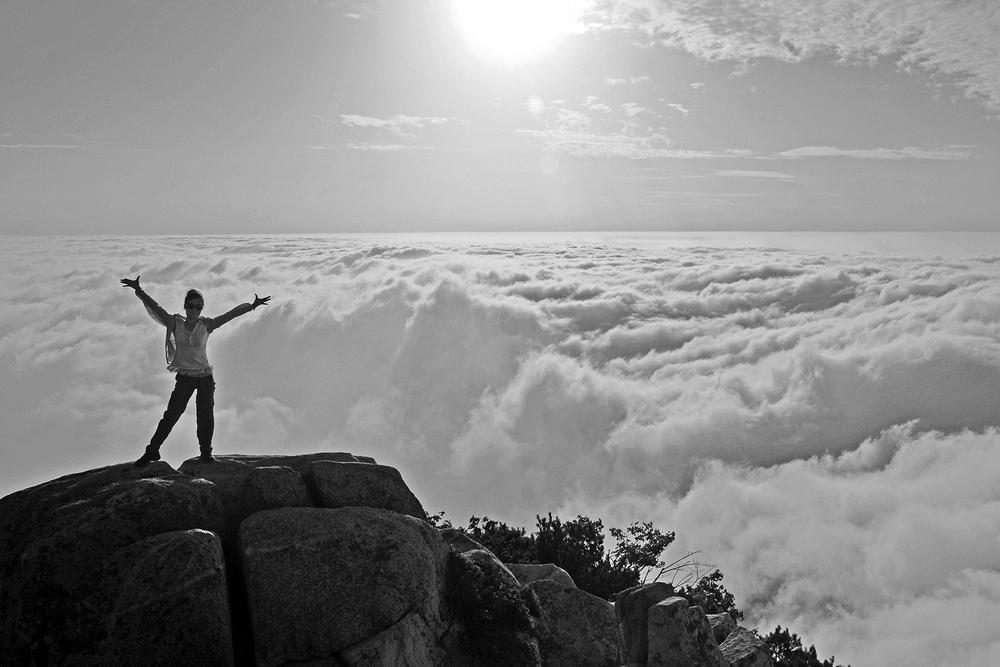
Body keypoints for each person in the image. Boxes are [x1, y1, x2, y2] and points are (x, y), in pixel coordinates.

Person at [121, 275, 270, 466]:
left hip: (205, 377)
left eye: (198, 307)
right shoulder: (174, 323)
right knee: (171, 415)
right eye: (190, 306)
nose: (194, 310)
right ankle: (152, 451)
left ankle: (206, 452)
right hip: (185, 377)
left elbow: (229, 315)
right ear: (185, 306)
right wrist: (139, 290)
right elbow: (155, 308)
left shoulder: (206, 325)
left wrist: (251, 306)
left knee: (205, 416)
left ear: (201, 309)